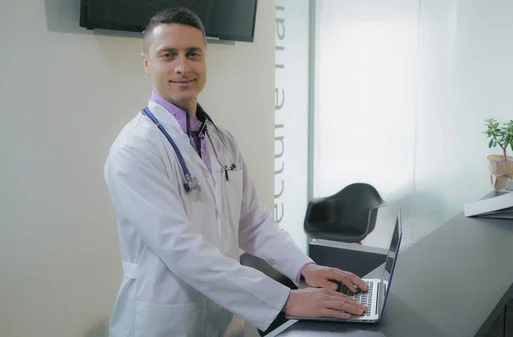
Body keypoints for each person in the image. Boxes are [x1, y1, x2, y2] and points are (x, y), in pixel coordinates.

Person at [104, 7, 368, 337]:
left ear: (205, 60)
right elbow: (182, 249)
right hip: (165, 323)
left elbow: (252, 221)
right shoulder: (135, 149)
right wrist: (286, 299)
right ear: (147, 63)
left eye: (193, 54)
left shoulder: (221, 139)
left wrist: (304, 267)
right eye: (168, 55)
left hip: (226, 319)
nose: (183, 67)